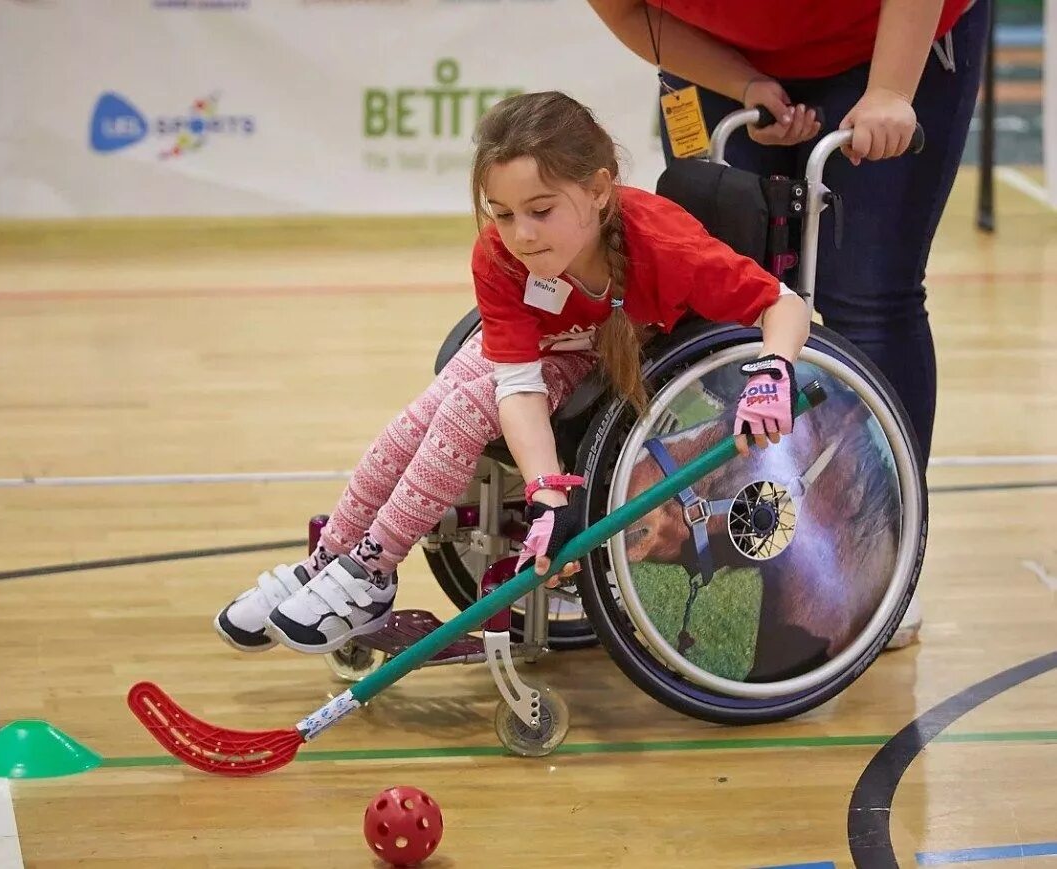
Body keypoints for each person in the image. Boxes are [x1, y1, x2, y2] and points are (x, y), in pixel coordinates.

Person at [213, 91, 810, 656]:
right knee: (430, 409)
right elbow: (518, 383)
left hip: (609, 354)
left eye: (541, 211)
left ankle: (371, 569)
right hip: (546, 347)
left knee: (465, 409)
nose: (521, 234)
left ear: (600, 190)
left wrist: (773, 370)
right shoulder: (499, 254)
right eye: (502, 214)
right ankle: (333, 560)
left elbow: (783, 304)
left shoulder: (664, 243)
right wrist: (547, 494)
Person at [587, 0, 991, 647]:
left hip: (885, 38)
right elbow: (634, 14)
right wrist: (743, 85)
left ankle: (884, 564)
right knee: (724, 296)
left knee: (869, 293)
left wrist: (889, 89)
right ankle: (766, 534)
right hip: (722, 56)